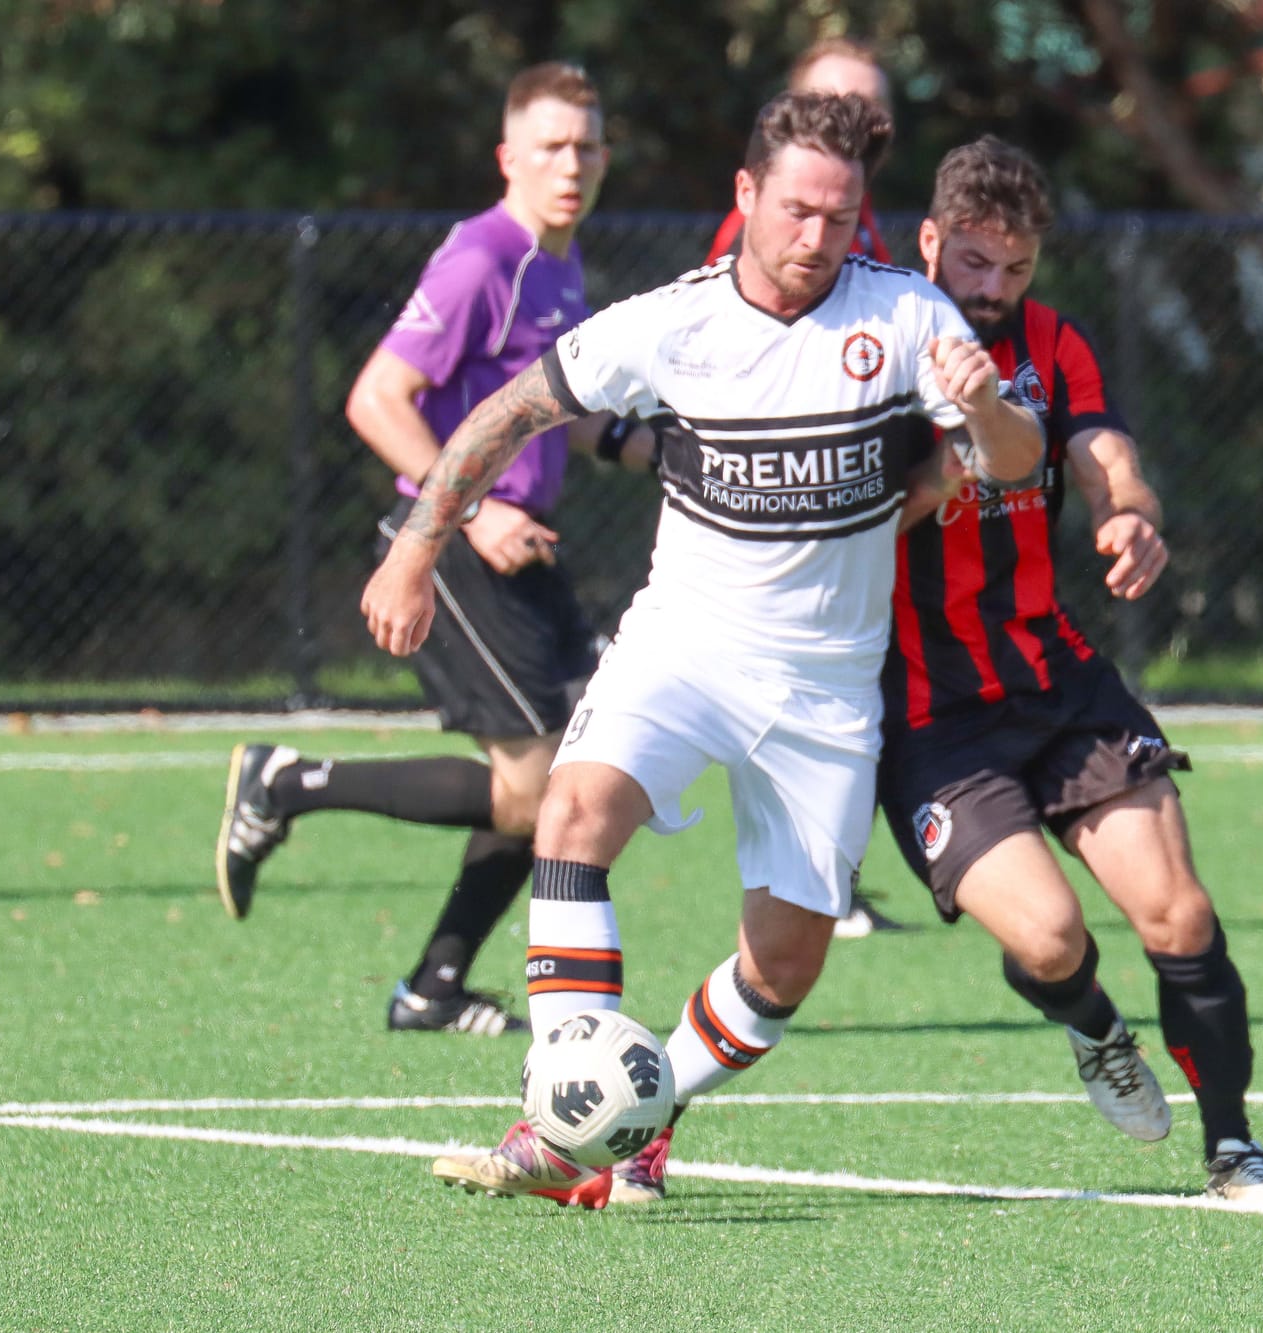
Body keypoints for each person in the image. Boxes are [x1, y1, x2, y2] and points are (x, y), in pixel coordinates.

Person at [360, 91, 1044, 1207]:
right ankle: (561, 1113)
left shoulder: (911, 317)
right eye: (793, 210)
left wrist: (980, 417)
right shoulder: (669, 323)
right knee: (571, 812)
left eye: (838, 215)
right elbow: (505, 414)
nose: (814, 237)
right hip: (681, 646)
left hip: (824, 687)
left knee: (784, 969)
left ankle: (642, 1109)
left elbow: (1008, 460)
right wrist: (415, 549)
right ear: (745, 197)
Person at [880, 137, 1263, 1205]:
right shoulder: (871, 343)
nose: (990, 290)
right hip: (930, 712)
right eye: (972, 264)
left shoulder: (1052, 343)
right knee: (1051, 935)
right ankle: (1095, 1028)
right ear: (929, 242)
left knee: (1178, 915)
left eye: (1012, 270)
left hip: (1056, 678)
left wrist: (1130, 518)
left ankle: (1234, 1147)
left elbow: (1108, 457)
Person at [216, 62, 661, 1036]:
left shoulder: (560, 260)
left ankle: (433, 987)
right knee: (538, 786)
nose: (571, 164)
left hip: (523, 547)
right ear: (508, 156)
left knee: (567, 777)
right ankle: (290, 783)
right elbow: (375, 398)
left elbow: (559, 413)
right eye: (550, 146)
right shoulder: (482, 258)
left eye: (587, 145)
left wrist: (650, 447)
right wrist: (472, 512)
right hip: (462, 547)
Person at [707, 37, 902, 938]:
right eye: (840, 100)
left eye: (871, 107)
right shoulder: (764, 238)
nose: (860, 118)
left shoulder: (864, 233)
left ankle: (827, 882)